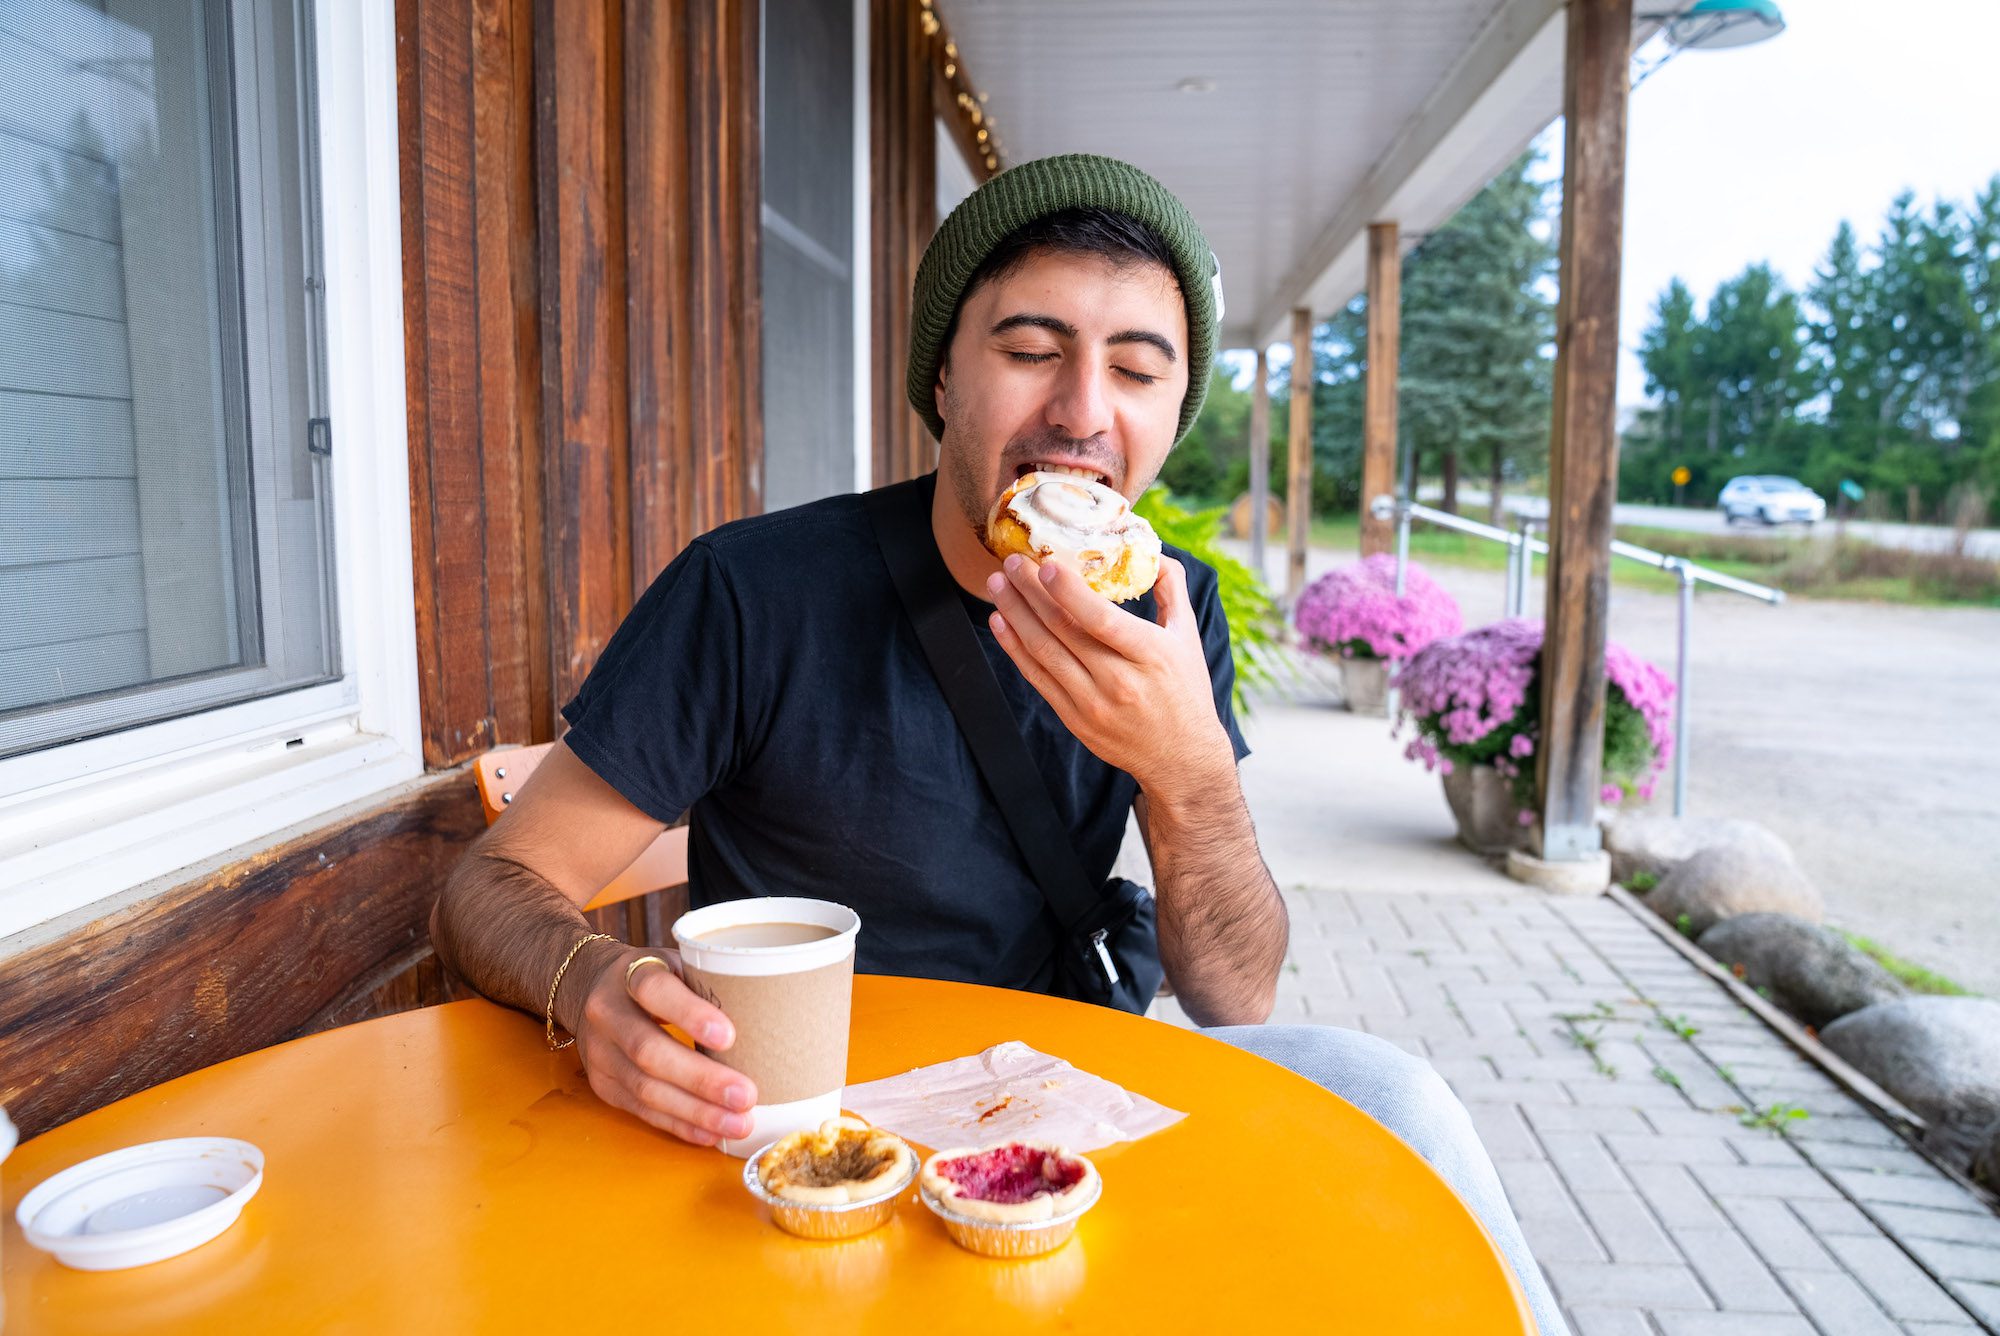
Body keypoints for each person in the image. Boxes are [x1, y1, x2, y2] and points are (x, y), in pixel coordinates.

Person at [432, 153, 1566, 1334]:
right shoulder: (753, 593)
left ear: (1171, 417)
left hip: (1070, 1098)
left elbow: (1236, 991)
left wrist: (1186, 774)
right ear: (940, 378)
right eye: (1030, 351)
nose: (1082, 410)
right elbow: (491, 884)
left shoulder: (1174, 613)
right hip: (821, 1123)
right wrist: (590, 981)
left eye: (1136, 369)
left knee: (1402, 1097)